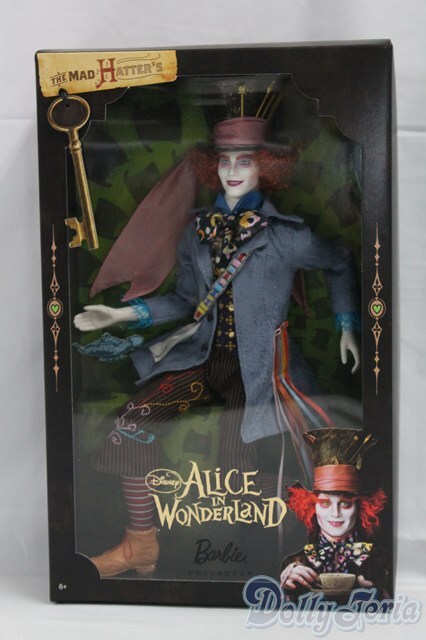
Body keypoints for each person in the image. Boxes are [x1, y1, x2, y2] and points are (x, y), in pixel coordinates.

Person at [74, 112, 360, 578]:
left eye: (244, 160)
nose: (232, 170)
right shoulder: (198, 231)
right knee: (130, 424)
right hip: (206, 360)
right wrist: (121, 314)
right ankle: (141, 545)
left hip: (260, 371)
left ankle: (278, 557)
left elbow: (339, 260)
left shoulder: (286, 237)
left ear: (264, 166)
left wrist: (346, 324)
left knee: (238, 472)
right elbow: (186, 301)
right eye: (224, 160)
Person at [280, 429, 389, 600]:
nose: (335, 513)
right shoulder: (295, 563)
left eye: (345, 504)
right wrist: (286, 585)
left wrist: (379, 586)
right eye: (325, 503)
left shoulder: (381, 560)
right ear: (312, 507)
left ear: (361, 508)